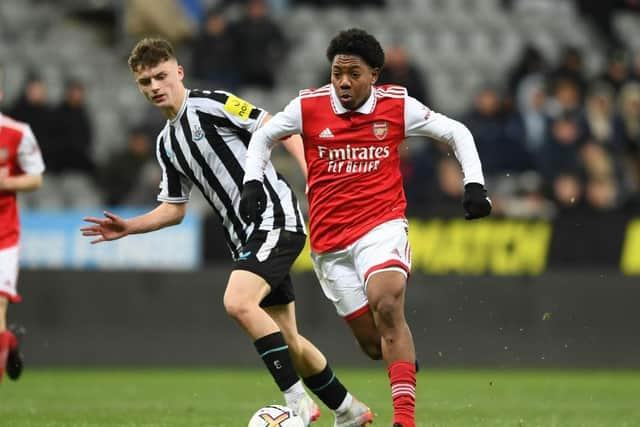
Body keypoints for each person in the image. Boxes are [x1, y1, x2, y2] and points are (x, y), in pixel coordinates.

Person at [80, 38, 372, 427]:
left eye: (161, 76)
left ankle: (297, 403)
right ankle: (349, 409)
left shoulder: (213, 103)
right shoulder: (166, 143)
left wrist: (313, 178)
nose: (154, 86)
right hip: (245, 237)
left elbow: (279, 128)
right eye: (145, 81)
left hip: (275, 217)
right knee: (288, 339)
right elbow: (174, 209)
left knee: (237, 301)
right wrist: (129, 226)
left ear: (178, 72)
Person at [240, 28, 491, 427]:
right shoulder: (308, 106)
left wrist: (474, 184)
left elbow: (456, 131)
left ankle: (403, 421)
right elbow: (264, 136)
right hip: (329, 243)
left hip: (381, 225)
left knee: (388, 304)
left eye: (353, 73)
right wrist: (252, 180)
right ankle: (401, 362)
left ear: (374, 74)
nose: (342, 82)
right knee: (376, 345)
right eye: (337, 73)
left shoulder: (397, 105)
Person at [0, 66, 46, 382]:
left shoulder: (17, 132)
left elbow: (36, 179)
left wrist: (7, 183)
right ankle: (9, 343)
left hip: (4, 235)